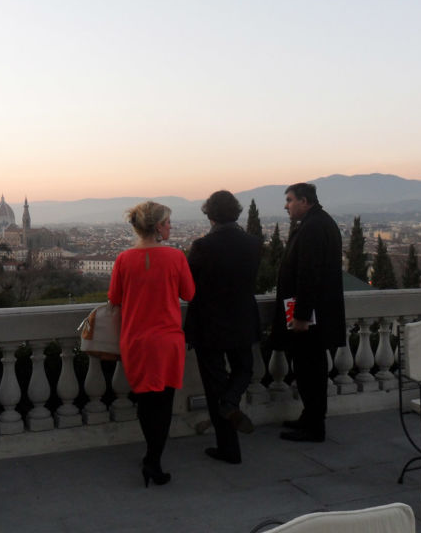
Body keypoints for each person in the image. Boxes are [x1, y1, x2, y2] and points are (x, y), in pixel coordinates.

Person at [108, 201, 195, 487]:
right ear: (158, 227)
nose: (171, 227)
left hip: (135, 340)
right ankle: (153, 460)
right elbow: (189, 293)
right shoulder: (176, 258)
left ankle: (151, 458)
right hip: (167, 341)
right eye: (168, 222)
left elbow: (115, 300)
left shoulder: (123, 260)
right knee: (164, 402)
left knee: (146, 401)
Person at [185, 190, 262, 465]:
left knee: (214, 384)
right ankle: (231, 401)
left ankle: (228, 448)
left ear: (210, 214)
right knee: (244, 369)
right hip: (242, 319)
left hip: (209, 324)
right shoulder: (254, 243)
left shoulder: (202, 246)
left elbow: (188, 286)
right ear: (237, 212)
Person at [271, 183, 346, 442]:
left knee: (309, 370)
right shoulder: (320, 223)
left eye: (290, 200)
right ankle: (310, 417)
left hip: (309, 318)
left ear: (304, 201)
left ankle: (314, 426)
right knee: (309, 369)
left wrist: (301, 315)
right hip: (316, 314)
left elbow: (309, 273)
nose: (286, 206)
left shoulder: (313, 227)